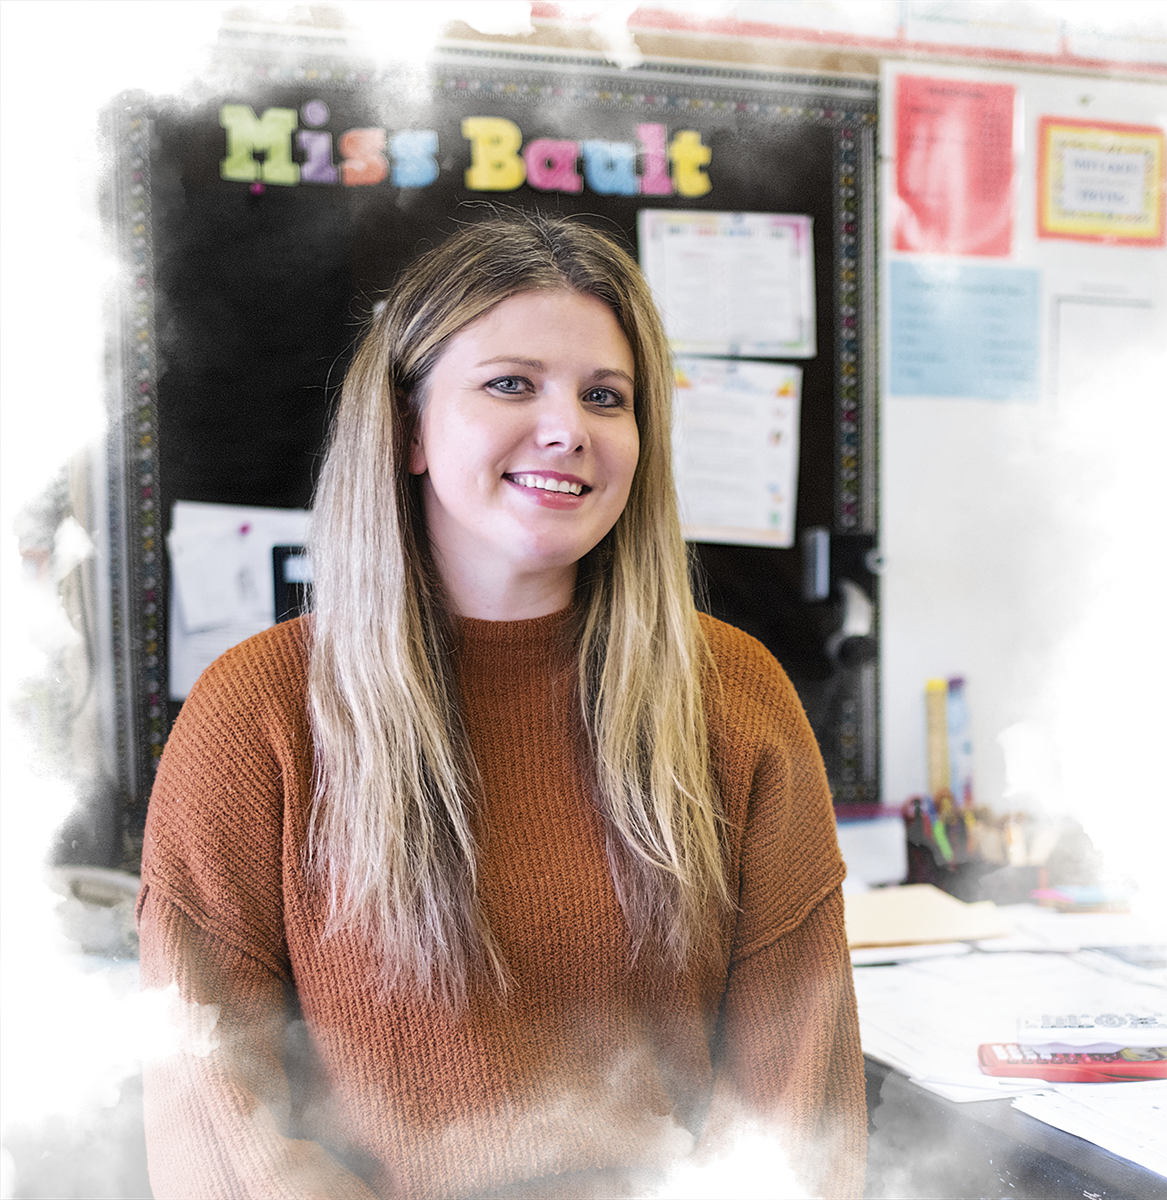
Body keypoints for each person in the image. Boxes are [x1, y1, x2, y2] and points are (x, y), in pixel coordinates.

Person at [138, 212, 867, 1199]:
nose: (568, 426)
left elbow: (793, 1087)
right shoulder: (256, 716)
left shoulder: (734, 697)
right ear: (407, 430)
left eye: (605, 396)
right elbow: (214, 1122)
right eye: (512, 383)